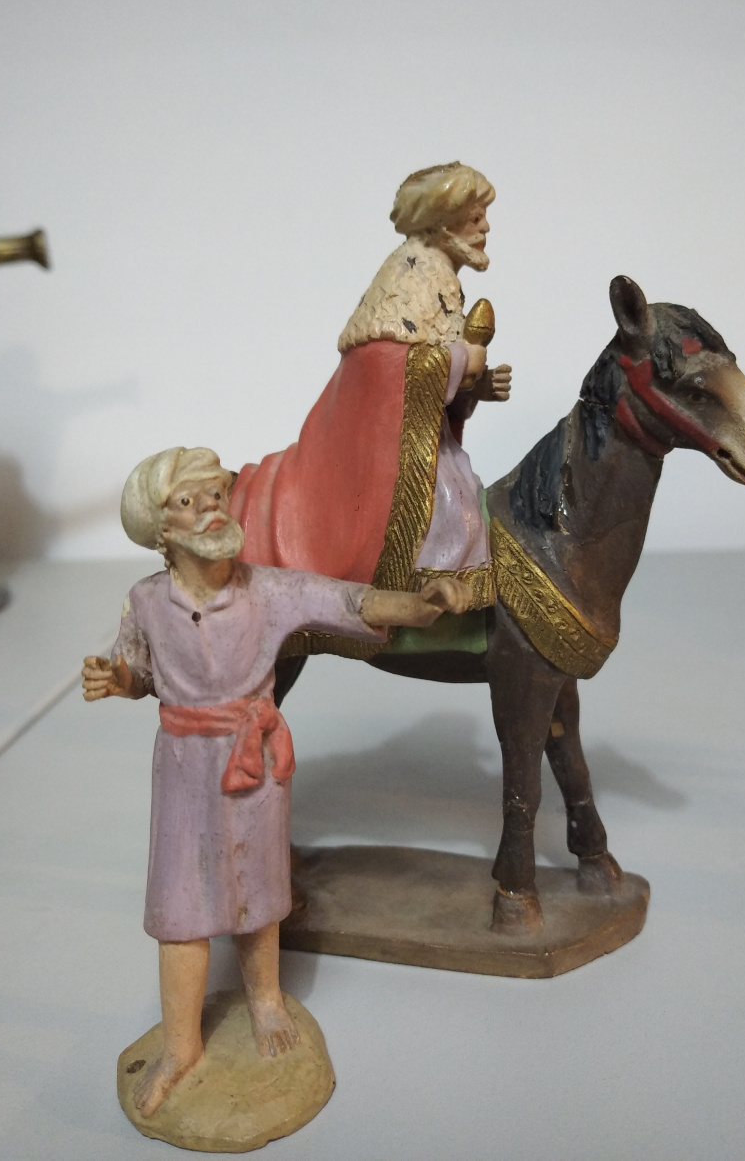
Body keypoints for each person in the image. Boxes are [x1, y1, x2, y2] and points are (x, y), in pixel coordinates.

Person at [82, 446, 471, 1117]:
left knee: (257, 889)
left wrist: (420, 604)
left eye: (214, 495)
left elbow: (349, 600)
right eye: (189, 501)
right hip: (184, 768)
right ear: (160, 528)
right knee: (179, 907)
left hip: (254, 762)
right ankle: (180, 1049)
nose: (210, 508)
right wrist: (116, 679)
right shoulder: (145, 602)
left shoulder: (267, 588)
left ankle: (265, 999)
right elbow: (138, 671)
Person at [229, 163, 512, 651]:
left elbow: (429, 378)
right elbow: (384, 363)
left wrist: (472, 387)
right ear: (443, 223)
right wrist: (463, 360)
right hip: (384, 457)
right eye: (473, 217)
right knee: (451, 507)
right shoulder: (410, 275)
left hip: (424, 444)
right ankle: (429, 613)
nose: (485, 227)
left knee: (465, 490)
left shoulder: (442, 277)